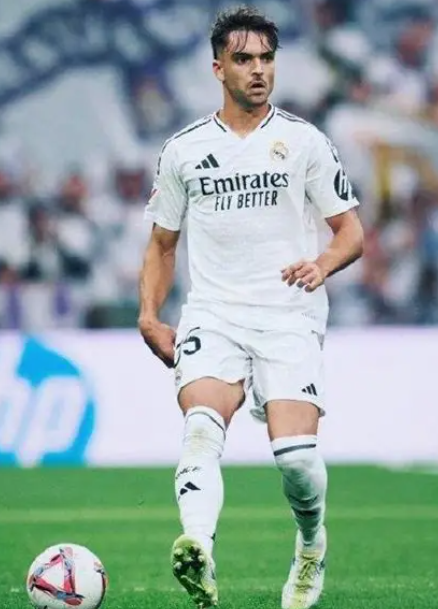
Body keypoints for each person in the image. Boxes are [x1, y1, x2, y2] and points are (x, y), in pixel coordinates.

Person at [138, 6, 364, 609]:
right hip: (214, 313)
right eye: (243, 59)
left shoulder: (305, 141)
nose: (258, 70)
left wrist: (322, 264)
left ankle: (311, 546)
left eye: (266, 58)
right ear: (218, 68)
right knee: (200, 428)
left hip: (289, 314)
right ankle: (198, 547)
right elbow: (162, 244)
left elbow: (351, 232)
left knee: (296, 460)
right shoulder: (183, 151)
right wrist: (149, 315)